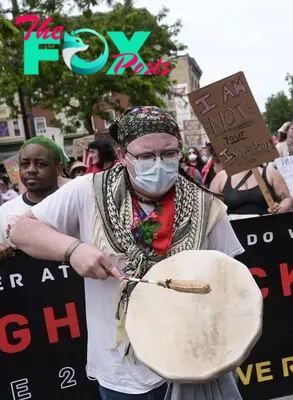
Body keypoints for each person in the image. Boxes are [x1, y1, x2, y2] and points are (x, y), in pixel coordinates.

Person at [10, 106, 245, 400]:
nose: (159, 163)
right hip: (122, 371)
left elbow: (230, 282)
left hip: (194, 364)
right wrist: (73, 250)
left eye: (169, 153)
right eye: (146, 156)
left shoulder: (206, 205)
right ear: (122, 155)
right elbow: (20, 230)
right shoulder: (88, 191)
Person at [0, 137, 64, 260]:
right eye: (25, 164)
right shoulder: (4, 212)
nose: (31, 170)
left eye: (40, 164)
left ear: (59, 169)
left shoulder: (75, 205)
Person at [209, 165, 293, 216]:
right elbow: (212, 208)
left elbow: (286, 198)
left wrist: (280, 208)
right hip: (234, 234)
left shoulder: (269, 172)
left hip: (267, 229)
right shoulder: (221, 177)